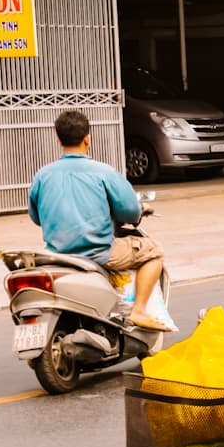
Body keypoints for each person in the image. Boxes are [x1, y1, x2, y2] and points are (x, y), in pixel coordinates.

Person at [27, 109, 166, 329]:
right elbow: (130, 211)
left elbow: (36, 217)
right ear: (87, 138)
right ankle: (138, 310)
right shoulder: (103, 172)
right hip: (98, 253)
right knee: (153, 252)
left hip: (57, 255)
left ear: (58, 139)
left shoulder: (42, 175)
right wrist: (139, 211)